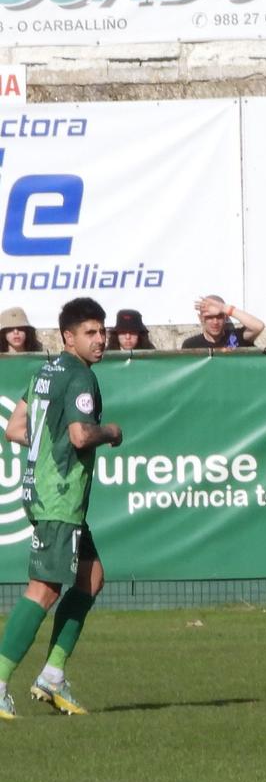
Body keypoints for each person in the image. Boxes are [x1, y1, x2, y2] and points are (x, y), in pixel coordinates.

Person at [0, 298, 122, 722]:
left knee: (90, 577)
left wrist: (45, 447)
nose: (100, 339)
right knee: (45, 588)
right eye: (90, 332)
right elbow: (79, 435)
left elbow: (16, 427)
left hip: (41, 489)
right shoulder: (79, 377)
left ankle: (52, 675)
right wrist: (112, 432)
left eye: (101, 331)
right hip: (59, 497)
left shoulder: (43, 372)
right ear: (68, 337)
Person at [181, 295, 264, 350]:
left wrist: (223, 308)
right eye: (210, 317)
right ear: (201, 318)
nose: (215, 322)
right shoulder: (191, 345)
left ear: (226, 317)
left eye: (219, 316)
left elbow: (258, 326)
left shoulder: (236, 337)